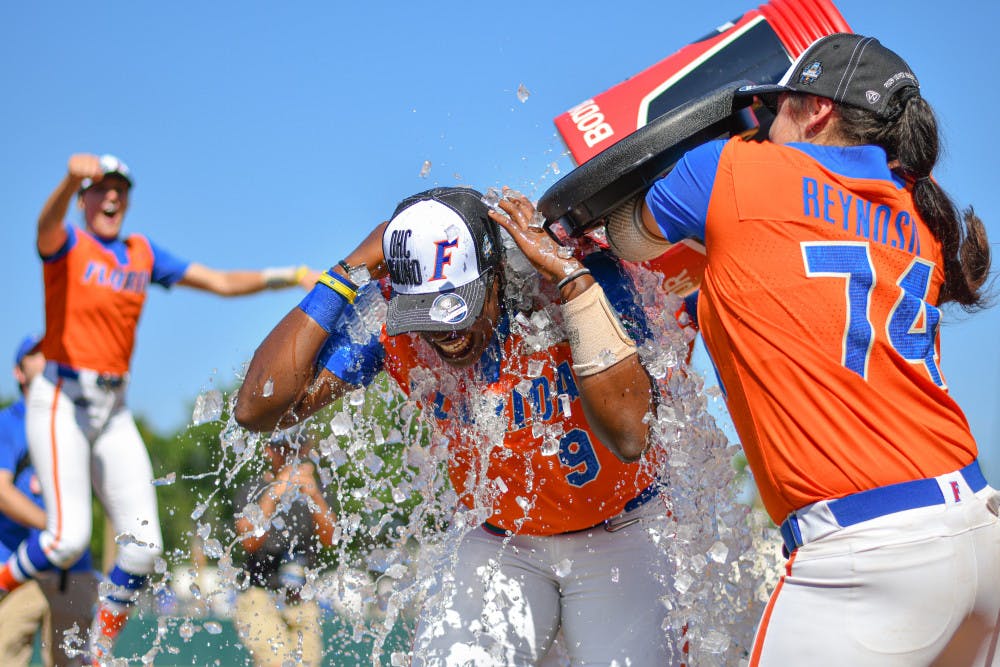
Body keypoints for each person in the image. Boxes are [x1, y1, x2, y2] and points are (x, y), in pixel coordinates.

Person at [601, 33, 999, 665]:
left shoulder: (731, 169)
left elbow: (625, 237)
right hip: (978, 529)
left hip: (869, 552)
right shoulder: (920, 216)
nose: (763, 126)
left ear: (817, 110)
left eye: (779, 107)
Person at [233, 186, 675, 665]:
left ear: (497, 273)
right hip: (501, 541)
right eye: (424, 313)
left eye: (460, 309)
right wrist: (346, 272)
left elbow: (633, 434)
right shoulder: (386, 318)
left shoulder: (568, 277)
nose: (446, 334)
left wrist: (570, 277)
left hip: (620, 528)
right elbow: (258, 410)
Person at [0, 153, 317, 663]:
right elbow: (45, 226)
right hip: (62, 397)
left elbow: (217, 281)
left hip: (113, 405)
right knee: (67, 537)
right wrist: (67, 178)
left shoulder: (140, 253)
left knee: (143, 550)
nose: (111, 197)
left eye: (119, 190)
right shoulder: (70, 243)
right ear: (84, 199)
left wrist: (292, 273)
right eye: (100, 188)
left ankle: (96, 652)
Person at [0, 336, 98, 667]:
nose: (43, 357)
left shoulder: (76, 418)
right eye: (32, 354)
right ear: (18, 372)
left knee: (74, 662)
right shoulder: (9, 422)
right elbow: (1, 492)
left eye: (47, 351)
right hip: (18, 568)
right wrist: (59, 527)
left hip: (75, 570)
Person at [232, 428, 337, 667]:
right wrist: (274, 493)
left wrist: (315, 497)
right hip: (259, 595)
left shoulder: (316, 488)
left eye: (299, 449)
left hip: (301, 598)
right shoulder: (253, 489)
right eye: (286, 450)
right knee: (275, 662)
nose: (293, 456)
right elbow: (249, 540)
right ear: (269, 451)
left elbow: (331, 539)